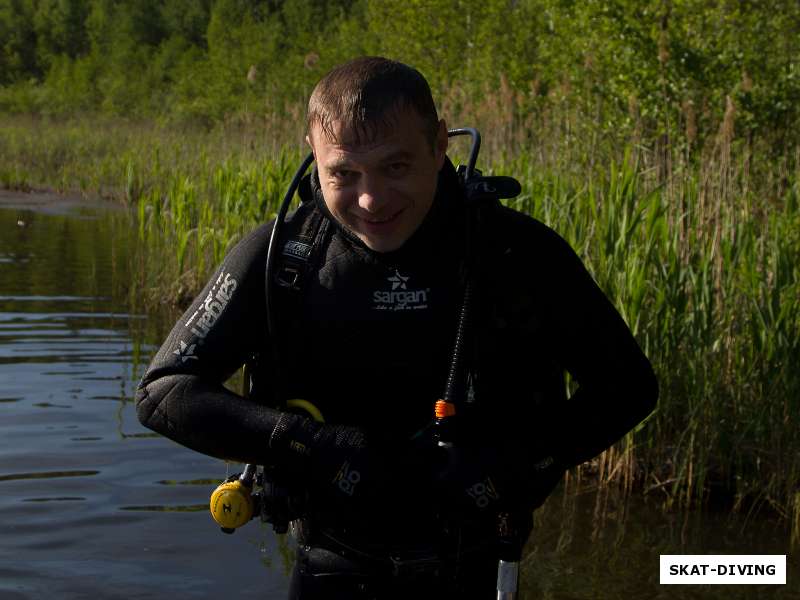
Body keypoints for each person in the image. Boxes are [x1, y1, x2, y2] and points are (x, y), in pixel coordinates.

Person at [136, 56, 658, 599]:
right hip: (329, 562)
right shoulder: (286, 258)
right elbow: (163, 392)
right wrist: (315, 446)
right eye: (343, 173)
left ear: (438, 145)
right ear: (314, 156)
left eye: (396, 167)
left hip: (475, 564)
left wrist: (511, 470)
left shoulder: (515, 253)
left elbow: (628, 388)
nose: (371, 199)